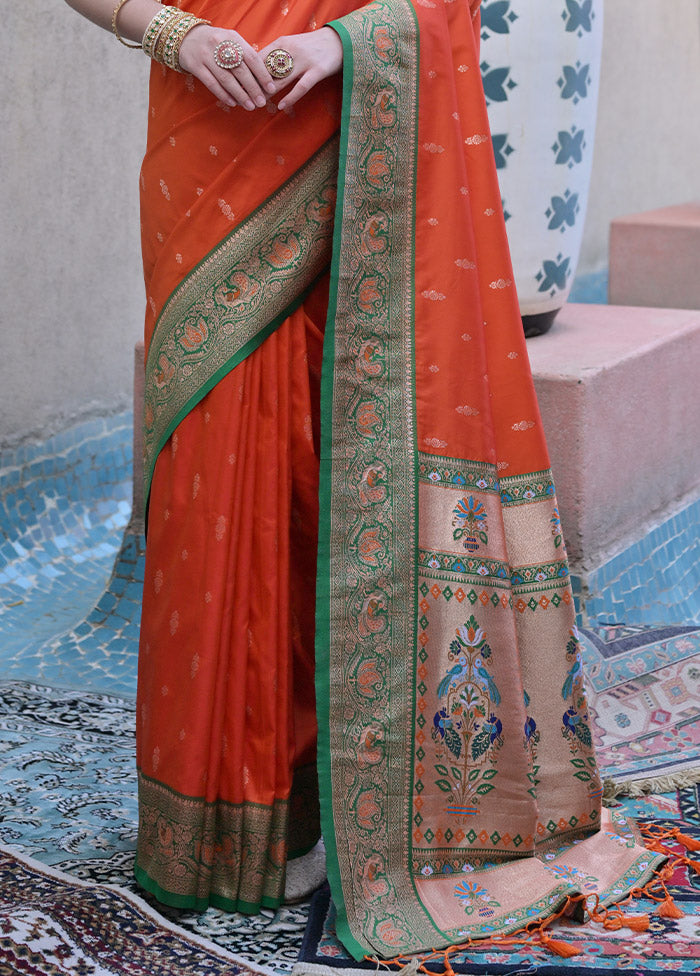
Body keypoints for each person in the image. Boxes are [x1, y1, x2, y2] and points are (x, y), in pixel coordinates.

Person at [63, 0, 664, 960]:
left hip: (344, 120)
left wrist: (339, 44)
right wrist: (176, 33)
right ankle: (233, 821)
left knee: (327, 471)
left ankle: (343, 807)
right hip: (208, 133)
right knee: (215, 476)